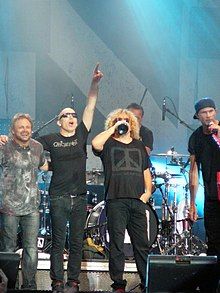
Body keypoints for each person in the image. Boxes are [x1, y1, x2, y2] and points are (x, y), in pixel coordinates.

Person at [36, 64, 103, 293]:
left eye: (73, 115)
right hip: (58, 196)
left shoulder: (82, 134)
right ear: (59, 121)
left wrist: (94, 84)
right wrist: (46, 165)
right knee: (57, 242)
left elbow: (90, 106)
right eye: (67, 115)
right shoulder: (50, 138)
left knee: (76, 242)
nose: (72, 117)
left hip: (79, 197)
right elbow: (32, 151)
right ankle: (56, 281)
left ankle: (72, 281)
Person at [92, 108, 152, 292]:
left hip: (137, 201)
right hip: (115, 200)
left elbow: (145, 172)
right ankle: (118, 284)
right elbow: (95, 143)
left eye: (126, 119)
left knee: (142, 245)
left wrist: (146, 194)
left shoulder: (139, 145)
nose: (122, 121)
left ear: (132, 123)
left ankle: (147, 282)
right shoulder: (108, 143)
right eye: (118, 119)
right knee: (116, 244)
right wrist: (114, 128)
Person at [0, 113, 48, 290]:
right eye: (21, 127)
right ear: (12, 130)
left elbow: (43, 165)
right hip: (9, 207)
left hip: (32, 207)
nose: (25, 130)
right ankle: (8, 284)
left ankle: (29, 285)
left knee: (31, 248)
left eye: (27, 127)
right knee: (8, 248)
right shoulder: (4, 146)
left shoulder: (38, 147)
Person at [188, 97, 220, 291]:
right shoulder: (196, 138)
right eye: (204, 113)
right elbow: (193, 171)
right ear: (198, 116)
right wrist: (192, 203)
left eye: (211, 111)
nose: (208, 116)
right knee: (214, 242)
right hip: (212, 196)